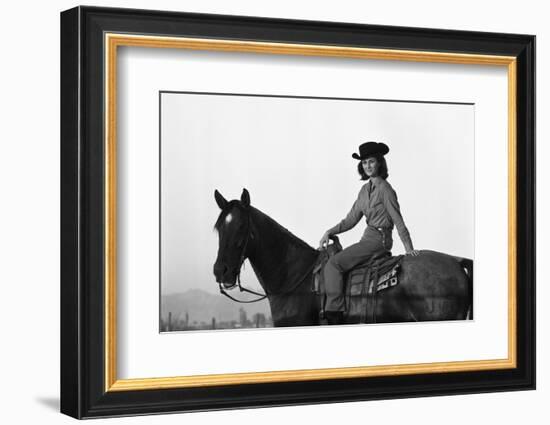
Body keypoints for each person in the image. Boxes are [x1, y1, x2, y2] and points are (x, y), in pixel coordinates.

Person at [319, 141, 419, 325]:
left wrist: (409, 248)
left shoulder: (385, 189)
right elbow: (350, 220)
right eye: (364, 163)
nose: (368, 166)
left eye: (371, 162)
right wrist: (329, 231)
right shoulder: (364, 190)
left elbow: (398, 220)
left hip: (379, 239)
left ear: (379, 163)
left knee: (333, 264)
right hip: (367, 237)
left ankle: (334, 312)